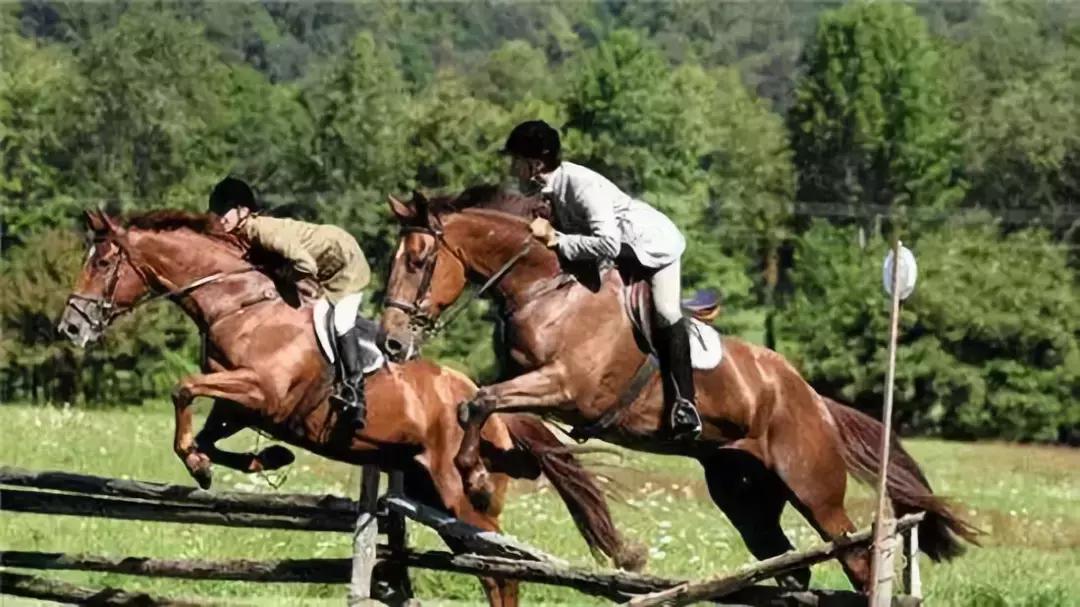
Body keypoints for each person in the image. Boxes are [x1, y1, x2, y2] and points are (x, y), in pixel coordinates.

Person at [501, 120, 703, 439]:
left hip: (652, 246)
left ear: (535, 164)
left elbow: (606, 242)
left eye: (516, 162)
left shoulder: (581, 186)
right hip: (616, 252)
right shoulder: (546, 190)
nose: (513, 170)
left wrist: (556, 239)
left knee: (665, 311)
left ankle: (685, 404)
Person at [208, 176, 372, 428]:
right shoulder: (246, 233)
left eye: (224, 212)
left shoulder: (264, 232)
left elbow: (306, 265)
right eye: (217, 213)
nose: (220, 218)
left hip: (346, 265)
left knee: (339, 321)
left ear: (243, 211)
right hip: (325, 264)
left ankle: (355, 390)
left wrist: (283, 279)